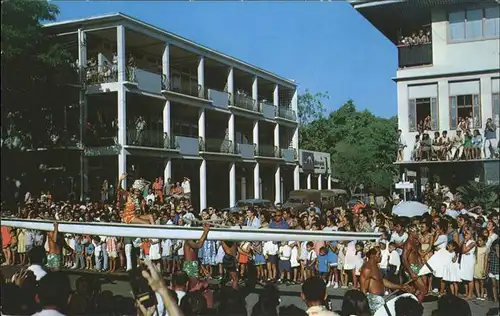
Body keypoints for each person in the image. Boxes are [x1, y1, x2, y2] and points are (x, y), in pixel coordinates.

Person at [359, 247, 409, 314]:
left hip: (380, 299)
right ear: (372, 256)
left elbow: (382, 281)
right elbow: (363, 289)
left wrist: (400, 286)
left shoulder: (376, 266)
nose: (381, 256)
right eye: (379, 254)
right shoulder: (367, 268)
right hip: (373, 301)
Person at [401, 225, 428, 302]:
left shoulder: (414, 242)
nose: (418, 233)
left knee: (415, 290)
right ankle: (415, 307)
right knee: (423, 289)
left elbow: (417, 256)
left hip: (416, 267)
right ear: (411, 232)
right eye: (416, 232)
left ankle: (413, 305)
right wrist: (411, 272)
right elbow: (404, 259)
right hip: (412, 268)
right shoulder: (408, 243)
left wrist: (420, 265)